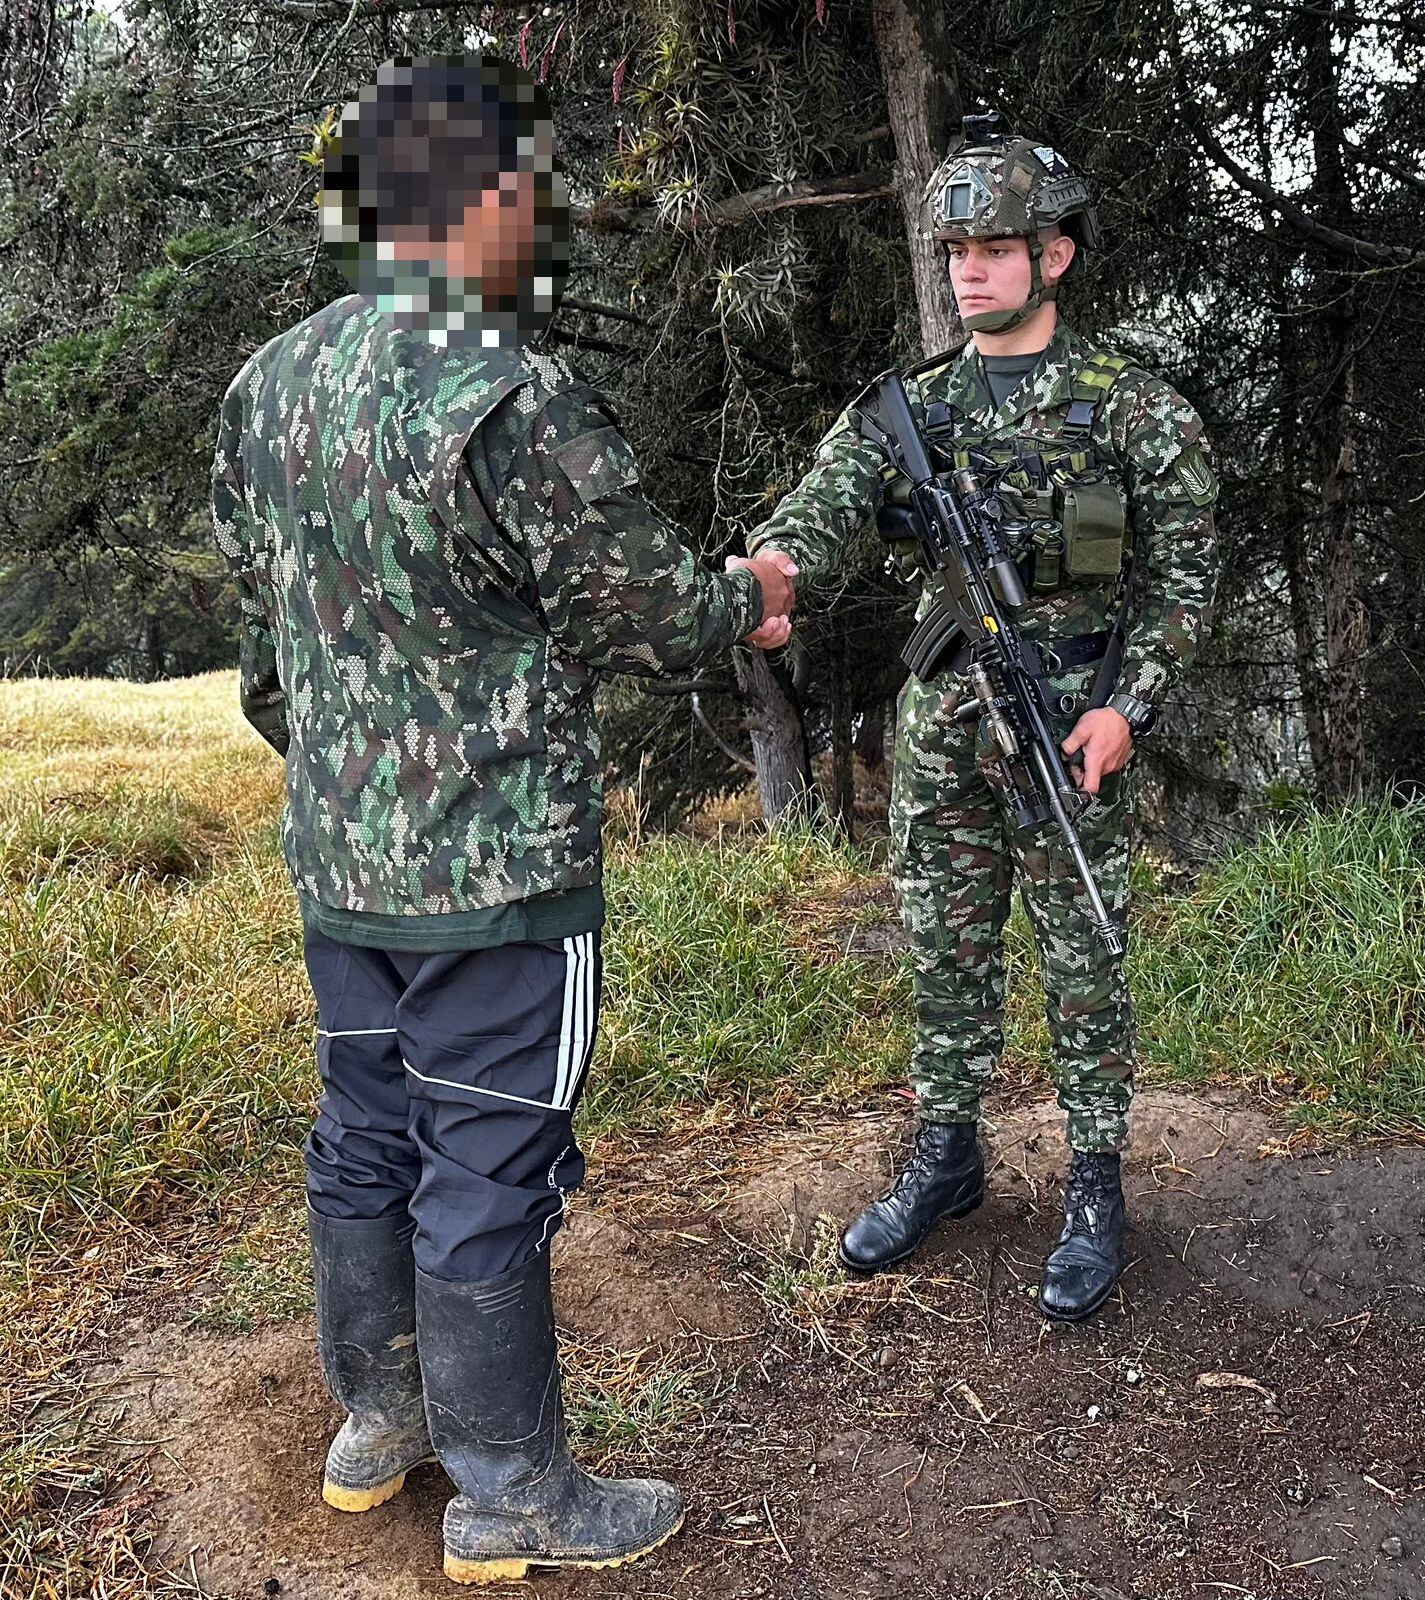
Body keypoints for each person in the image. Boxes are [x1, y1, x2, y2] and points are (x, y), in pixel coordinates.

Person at [210, 55, 794, 1586]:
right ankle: (514, 1495)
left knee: (362, 1140)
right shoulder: (509, 395)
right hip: (498, 881)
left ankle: (379, 1422)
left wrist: (346, 779)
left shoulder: (269, 388)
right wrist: (751, 596)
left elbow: (263, 648)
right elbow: (650, 615)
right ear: (487, 202)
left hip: (343, 870)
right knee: (487, 1162)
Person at [744, 110, 1219, 1322]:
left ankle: (1095, 1180)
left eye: (995, 249)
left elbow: (1183, 583)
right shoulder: (911, 409)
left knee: (1083, 957)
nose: (968, 270)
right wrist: (775, 569)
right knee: (945, 953)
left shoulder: (1133, 409)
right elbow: (822, 507)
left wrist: (1127, 709)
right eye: (955, 250)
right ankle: (946, 1154)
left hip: (1067, 731)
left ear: (1053, 255)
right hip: (946, 730)